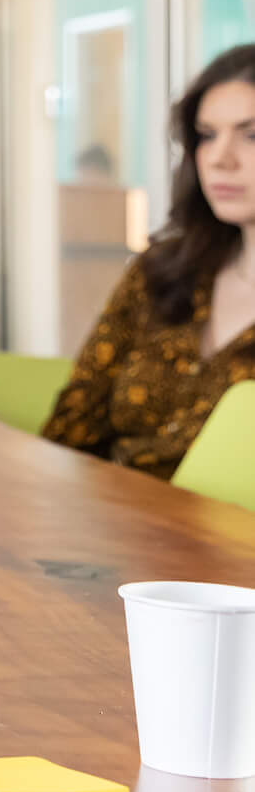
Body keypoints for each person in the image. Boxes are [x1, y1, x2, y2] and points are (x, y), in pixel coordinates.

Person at [43, 44, 255, 479]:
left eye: (251, 135)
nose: (220, 158)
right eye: (207, 135)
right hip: (108, 529)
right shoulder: (161, 271)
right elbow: (70, 428)